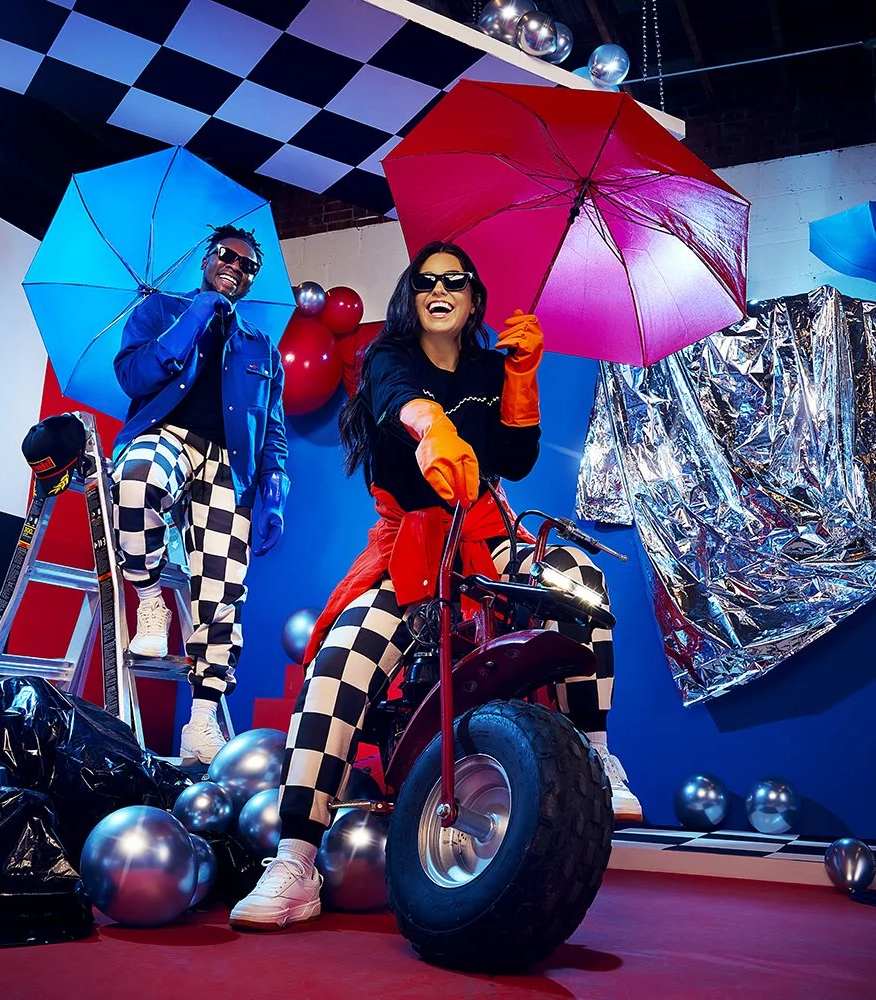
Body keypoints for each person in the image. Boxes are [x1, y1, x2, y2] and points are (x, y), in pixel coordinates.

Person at [229, 241, 641, 931]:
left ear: (474, 298)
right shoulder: (386, 357)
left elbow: (516, 458)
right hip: (409, 545)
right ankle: (295, 862)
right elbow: (399, 398)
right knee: (337, 666)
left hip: (486, 535)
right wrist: (432, 428)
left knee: (581, 582)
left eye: (455, 281)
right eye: (426, 282)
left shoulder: (488, 366)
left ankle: (599, 759)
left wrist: (521, 378)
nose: (440, 291)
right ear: (411, 296)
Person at [111, 224, 289, 765]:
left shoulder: (261, 348)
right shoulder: (160, 310)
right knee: (137, 479)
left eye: (248, 265)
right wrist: (194, 317)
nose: (236, 266)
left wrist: (274, 491)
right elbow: (132, 376)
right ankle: (150, 601)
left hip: (229, 465)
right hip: (165, 436)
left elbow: (273, 429)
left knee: (223, 586)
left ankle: (202, 718)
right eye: (227, 256)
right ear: (208, 260)